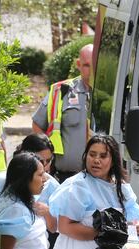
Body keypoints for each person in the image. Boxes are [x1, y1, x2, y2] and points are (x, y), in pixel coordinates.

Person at [0, 133, 59, 249]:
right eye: (41, 161)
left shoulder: (51, 186)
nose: (45, 167)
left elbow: (54, 228)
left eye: (48, 161)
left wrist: (47, 212)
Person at [32, 44, 95, 183]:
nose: (91, 71)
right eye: (86, 65)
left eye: (95, 65)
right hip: (65, 179)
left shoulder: (113, 94)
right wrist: (45, 159)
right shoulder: (60, 91)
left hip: (100, 179)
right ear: (78, 65)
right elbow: (37, 125)